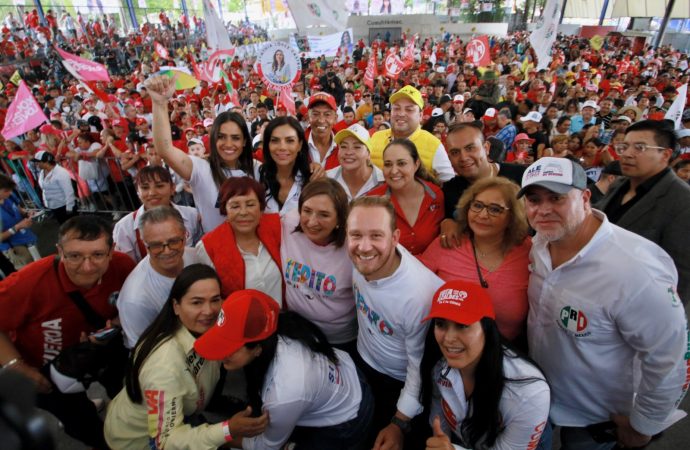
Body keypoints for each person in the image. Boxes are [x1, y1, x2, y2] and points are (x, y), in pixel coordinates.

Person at [519, 157, 688, 449]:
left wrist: (644, 426)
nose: (543, 209)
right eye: (533, 199)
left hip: (599, 419)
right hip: (542, 399)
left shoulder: (636, 269)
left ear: (585, 198)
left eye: (557, 198)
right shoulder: (540, 242)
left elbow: (668, 357)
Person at [0, 216, 135, 448]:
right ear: (59, 252)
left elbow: (133, 304)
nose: (87, 266)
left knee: (128, 392)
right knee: (81, 421)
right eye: (75, 256)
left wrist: (115, 323)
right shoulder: (28, 282)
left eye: (97, 254)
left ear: (111, 251)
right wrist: (16, 366)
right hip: (45, 369)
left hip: (103, 349)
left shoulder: (123, 266)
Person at [104, 264, 269, 449]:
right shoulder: (163, 367)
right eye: (196, 302)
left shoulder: (206, 326)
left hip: (183, 413)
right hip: (140, 440)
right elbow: (166, 442)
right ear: (176, 306)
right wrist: (228, 429)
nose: (209, 311)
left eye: (215, 299)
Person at [194, 290, 374, 449]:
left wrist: (218, 436)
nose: (221, 353)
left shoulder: (284, 392)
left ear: (257, 348)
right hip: (346, 376)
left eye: (230, 346)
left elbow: (264, 446)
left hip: (347, 420)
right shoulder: (276, 328)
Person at [346, 196, 444, 449]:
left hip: (397, 383)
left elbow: (419, 368)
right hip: (363, 362)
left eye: (376, 236)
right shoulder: (358, 260)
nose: (364, 247)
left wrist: (399, 422)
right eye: (356, 235)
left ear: (395, 237)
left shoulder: (418, 296)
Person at [420, 281, 550, 450]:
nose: (449, 338)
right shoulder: (439, 365)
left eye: (463, 325)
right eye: (441, 324)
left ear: (487, 329)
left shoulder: (530, 393)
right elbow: (439, 419)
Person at [420, 177, 530, 342]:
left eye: (495, 209)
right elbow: (414, 284)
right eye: (477, 206)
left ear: (513, 216)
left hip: (508, 353)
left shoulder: (529, 252)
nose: (483, 215)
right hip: (450, 347)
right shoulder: (447, 244)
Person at [147, 75, 259, 232]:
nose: (228, 144)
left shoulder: (257, 169)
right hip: (215, 253)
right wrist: (159, 103)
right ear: (213, 139)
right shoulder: (200, 168)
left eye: (235, 138)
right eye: (221, 137)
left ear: (245, 142)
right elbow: (164, 149)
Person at [597, 120, 690, 303]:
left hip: (642, 303)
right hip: (602, 290)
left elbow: (683, 273)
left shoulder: (682, 201)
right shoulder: (619, 185)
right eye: (624, 146)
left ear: (665, 154)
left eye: (640, 147)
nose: (627, 154)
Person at [281, 178, 357, 352]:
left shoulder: (353, 247)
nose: (312, 222)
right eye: (306, 211)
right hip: (297, 333)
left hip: (339, 340)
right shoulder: (289, 223)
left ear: (340, 219)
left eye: (324, 214)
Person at [117, 207, 200, 348]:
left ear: (185, 236)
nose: (167, 251)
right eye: (156, 245)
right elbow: (142, 350)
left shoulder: (198, 257)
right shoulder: (134, 300)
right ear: (144, 244)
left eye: (174, 241)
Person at [196, 177, 283, 304]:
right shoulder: (208, 247)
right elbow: (210, 296)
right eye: (235, 206)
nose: (243, 212)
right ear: (225, 209)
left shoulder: (278, 227)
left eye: (250, 205)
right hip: (241, 321)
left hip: (284, 318)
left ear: (261, 208)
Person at [440, 123, 525, 249]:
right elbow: (446, 218)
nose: (463, 157)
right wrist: (446, 221)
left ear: (486, 148)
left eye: (470, 148)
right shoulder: (449, 191)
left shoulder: (522, 176)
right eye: (455, 152)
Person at [367, 139, 444, 255]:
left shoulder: (435, 195)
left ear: (416, 164)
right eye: (388, 164)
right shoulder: (372, 199)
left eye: (401, 163)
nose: (393, 171)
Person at [113, 165, 202, 263]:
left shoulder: (192, 215)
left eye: (159, 186)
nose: (152, 193)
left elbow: (199, 252)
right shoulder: (125, 227)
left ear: (172, 188)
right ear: (138, 191)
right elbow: (127, 264)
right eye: (145, 188)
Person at [368, 85, 455, 182]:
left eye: (409, 109)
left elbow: (449, 184)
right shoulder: (376, 137)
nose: (401, 114)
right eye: (396, 108)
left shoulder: (433, 145)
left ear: (421, 115)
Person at [260, 116, 318, 215]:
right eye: (275, 140)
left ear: (299, 145)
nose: (282, 147)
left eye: (290, 141)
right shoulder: (257, 175)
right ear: (267, 145)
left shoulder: (313, 178)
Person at [327, 123, 384, 200]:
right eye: (344, 146)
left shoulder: (383, 181)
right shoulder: (327, 179)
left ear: (368, 153)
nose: (349, 152)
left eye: (357, 147)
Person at [0, 174, 39, 269]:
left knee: (39, 263)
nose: (9, 193)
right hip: (14, 247)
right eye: (6, 191)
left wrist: (27, 213)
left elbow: (18, 209)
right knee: (29, 271)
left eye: (10, 190)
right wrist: (17, 227)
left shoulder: (9, 197)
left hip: (27, 238)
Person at [32, 150, 76, 224]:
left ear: (46, 162)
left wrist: (69, 208)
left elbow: (69, 192)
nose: (36, 164)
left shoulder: (61, 173)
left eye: (38, 162)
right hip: (54, 206)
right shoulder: (42, 172)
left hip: (64, 207)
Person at [306, 92, 340, 169]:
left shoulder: (344, 146)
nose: (321, 120)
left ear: (335, 118)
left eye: (327, 114)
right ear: (308, 118)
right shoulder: (297, 145)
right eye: (315, 114)